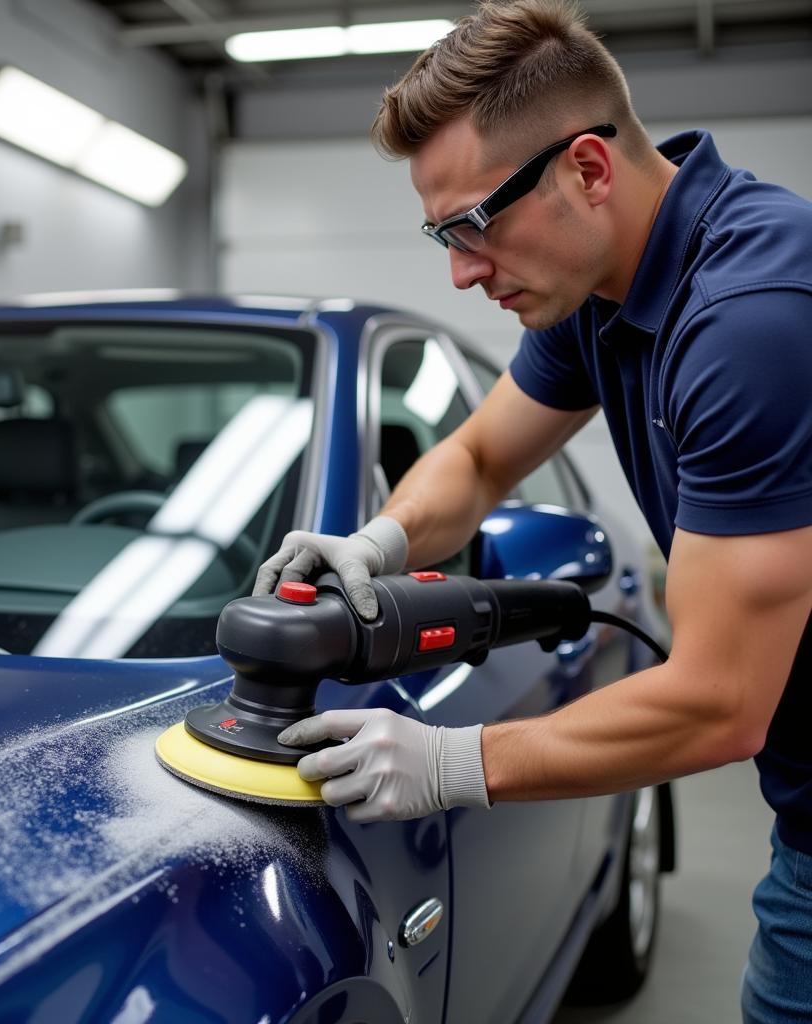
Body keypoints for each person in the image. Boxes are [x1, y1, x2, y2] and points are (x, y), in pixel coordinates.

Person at [251, 1, 812, 1019]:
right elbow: (474, 456)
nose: (461, 271)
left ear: (587, 171)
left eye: (473, 226)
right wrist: (372, 543)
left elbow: (724, 701)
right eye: (440, 234)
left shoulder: (752, 323)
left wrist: (448, 761)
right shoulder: (598, 283)